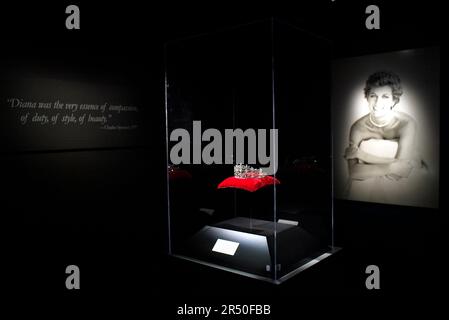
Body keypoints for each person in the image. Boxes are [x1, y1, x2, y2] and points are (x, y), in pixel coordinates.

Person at [344, 71, 428, 205]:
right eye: (373, 96)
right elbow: (354, 173)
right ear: (367, 97)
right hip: (365, 189)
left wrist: (363, 156)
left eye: (385, 96)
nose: (378, 102)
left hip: (403, 186)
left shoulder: (406, 124)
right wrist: (393, 166)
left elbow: (400, 173)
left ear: (394, 100)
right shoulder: (358, 127)